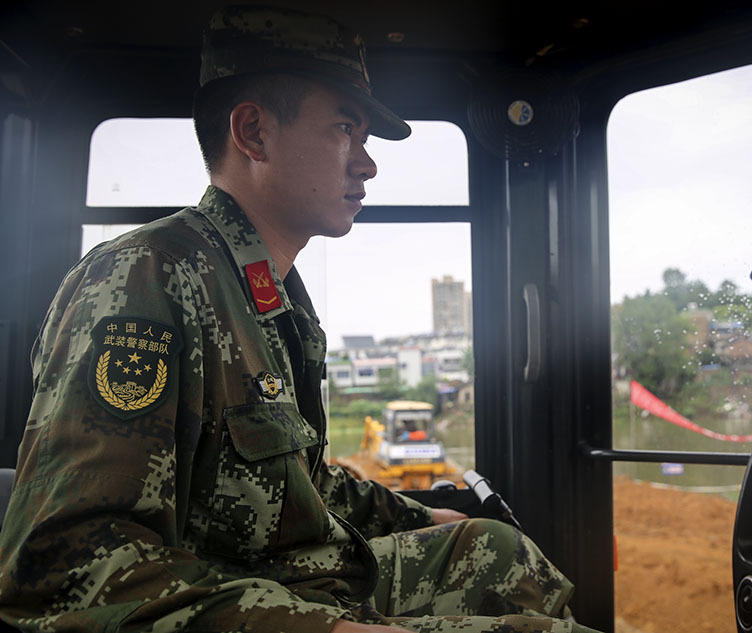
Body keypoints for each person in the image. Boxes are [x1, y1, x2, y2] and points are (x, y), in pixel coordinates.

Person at [0, 6, 599, 633]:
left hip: (297, 578)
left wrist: (423, 519)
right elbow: (66, 570)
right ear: (254, 133)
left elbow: (302, 489)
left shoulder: (270, 292)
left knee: (499, 551)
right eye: (346, 129)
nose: (367, 165)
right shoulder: (145, 278)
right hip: (237, 604)